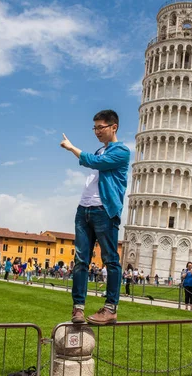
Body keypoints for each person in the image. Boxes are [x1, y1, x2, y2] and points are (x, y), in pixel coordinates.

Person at [60, 109, 129, 325]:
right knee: (81, 260)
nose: (97, 132)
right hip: (84, 210)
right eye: (95, 128)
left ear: (113, 127)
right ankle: (78, 308)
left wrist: (72, 148)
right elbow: (92, 161)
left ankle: (110, 308)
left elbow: (92, 162)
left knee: (110, 260)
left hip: (104, 210)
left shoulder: (122, 152)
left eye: (101, 127)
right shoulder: (100, 150)